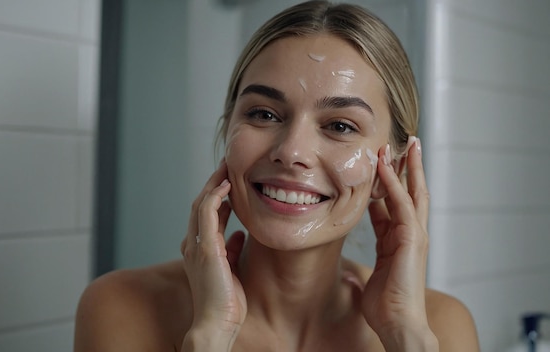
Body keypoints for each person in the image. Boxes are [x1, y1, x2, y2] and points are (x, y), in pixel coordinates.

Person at [74, 1, 480, 351]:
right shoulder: (124, 308)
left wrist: (404, 336)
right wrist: (212, 335)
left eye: (340, 126)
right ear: (227, 130)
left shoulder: (441, 328)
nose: (291, 152)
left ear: (389, 170)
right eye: (263, 114)